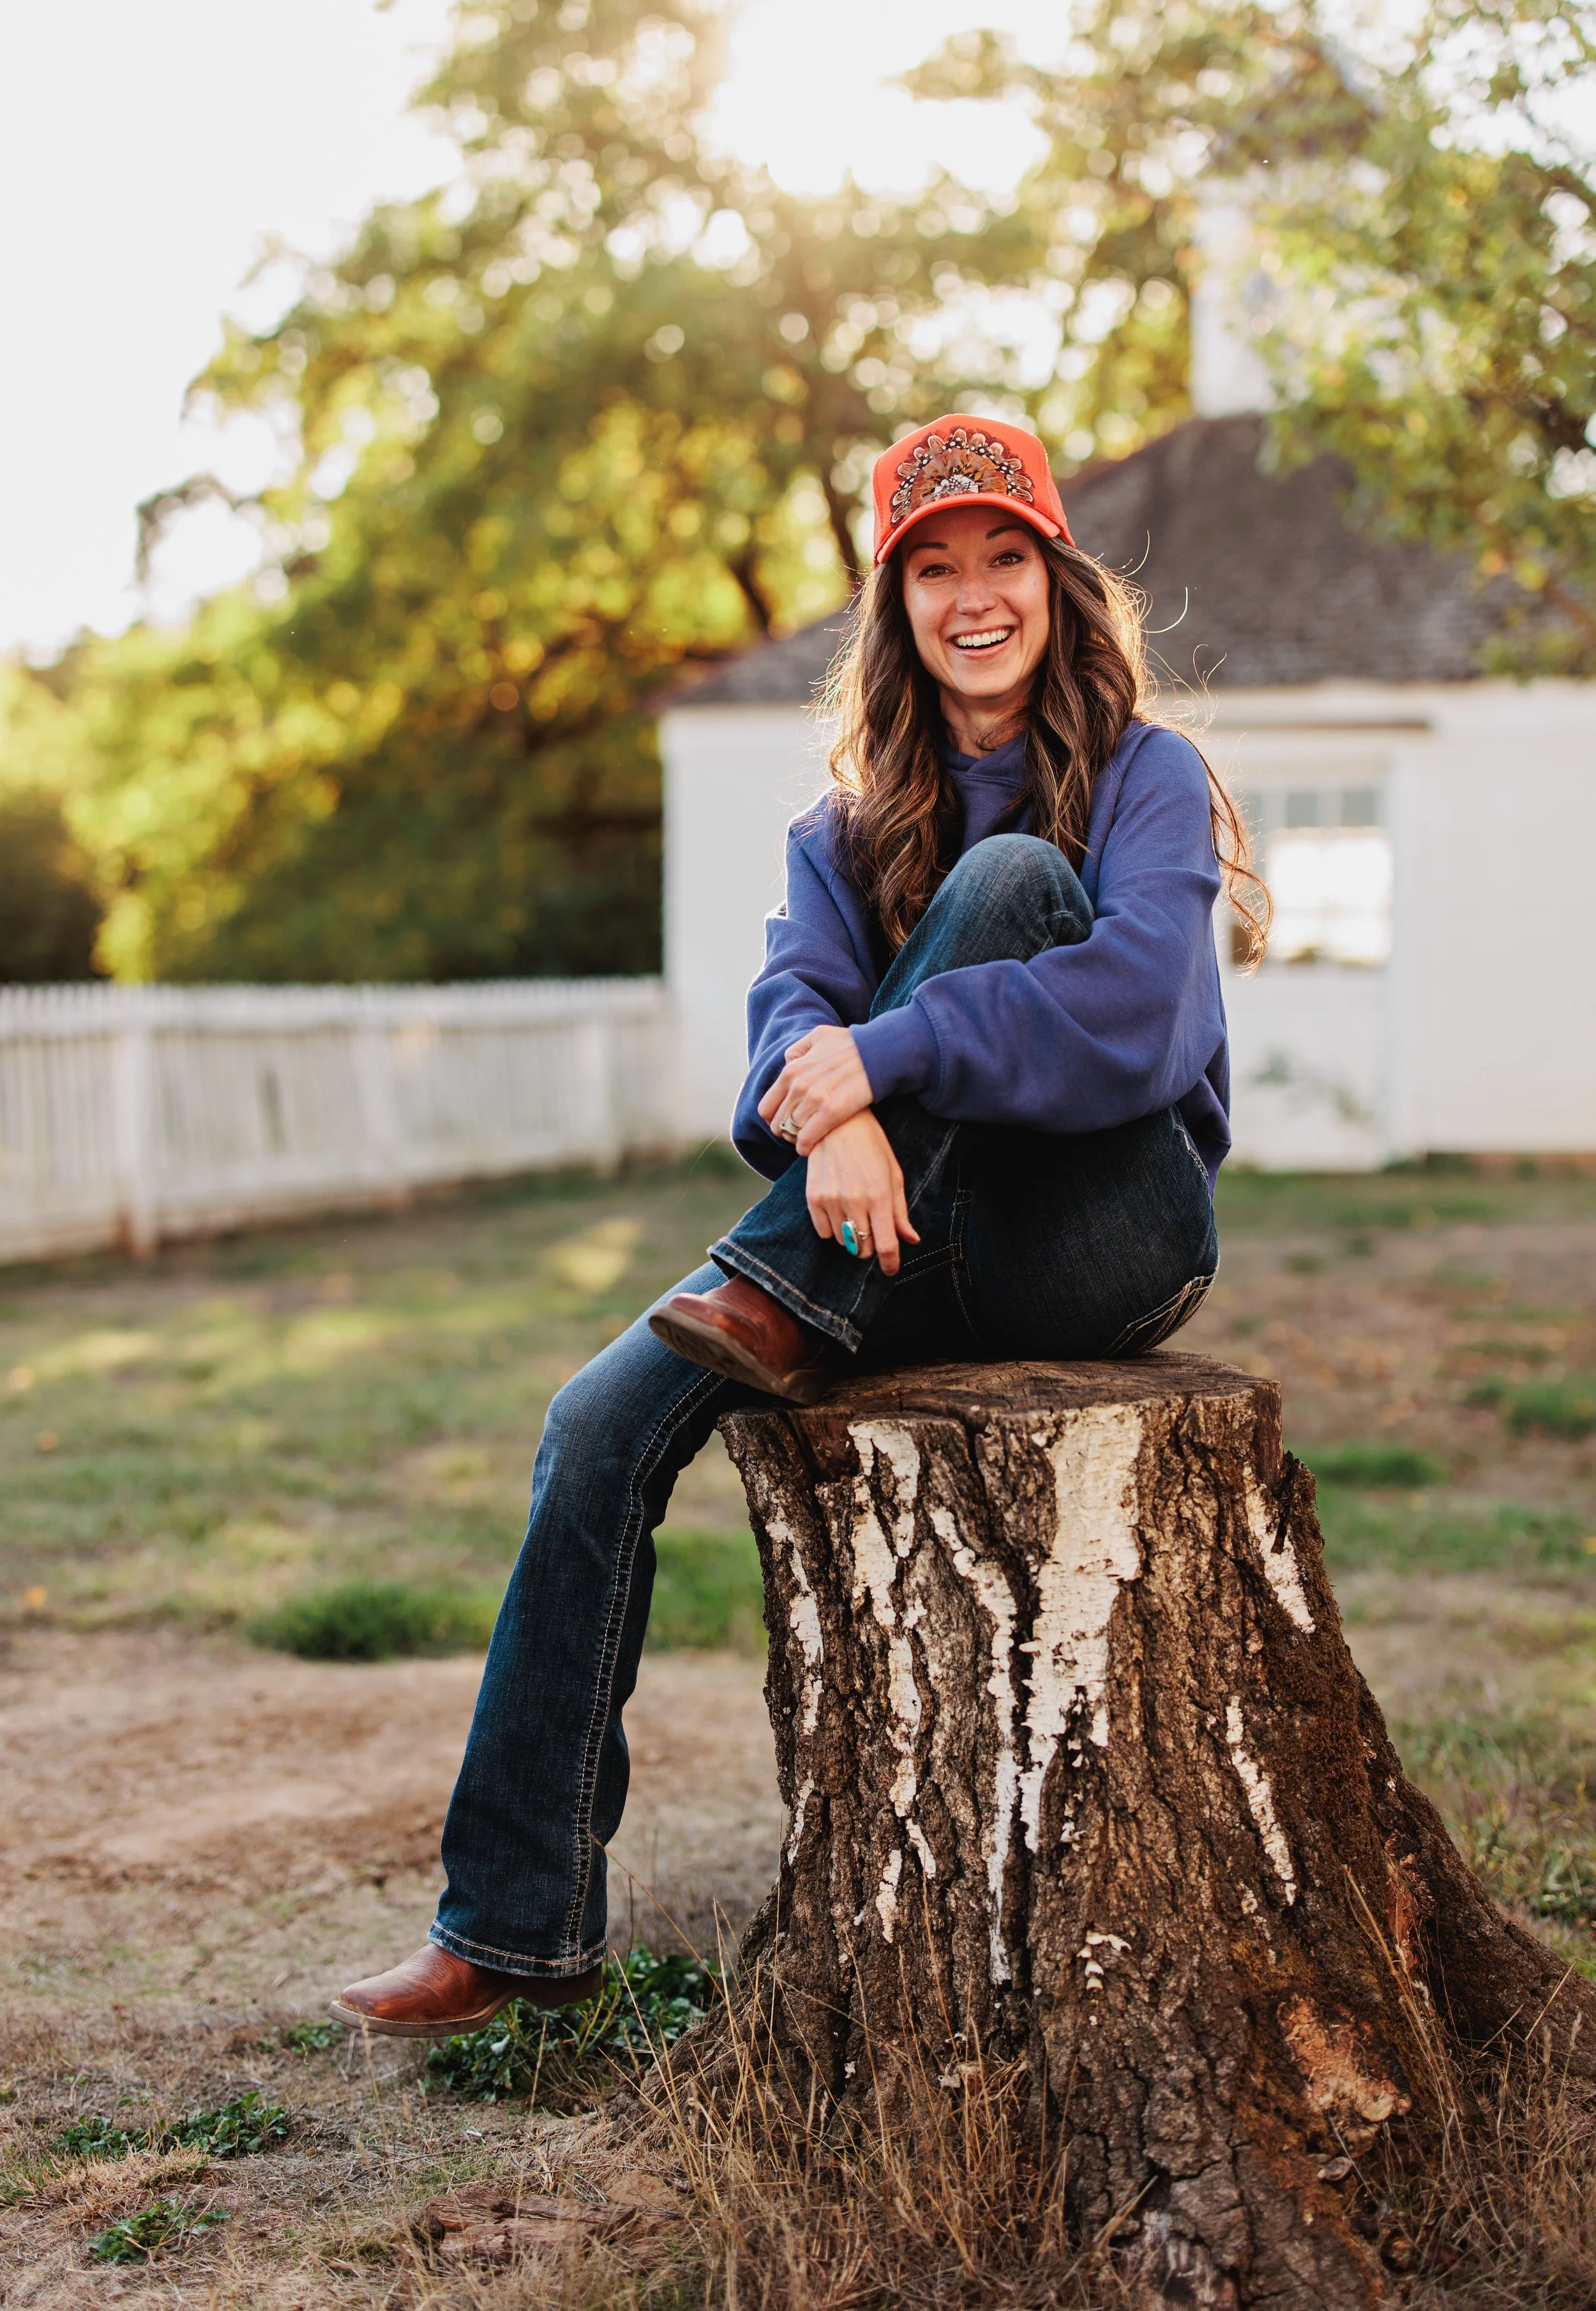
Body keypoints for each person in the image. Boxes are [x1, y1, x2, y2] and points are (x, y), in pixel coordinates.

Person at [329, 415, 1265, 2039]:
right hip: (903, 1256)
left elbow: (1141, 1019)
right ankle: (512, 1922)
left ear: (1055, 579)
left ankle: (777, 1283)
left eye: (1002, 560)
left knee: (1005, 895)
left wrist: (872, 1070)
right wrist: (825, 1111)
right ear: (893, 606)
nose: (971, 596)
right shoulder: (837, 834)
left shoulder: (1147, 776)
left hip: (1112, 1234)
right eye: (931, 569)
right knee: (592, 1425)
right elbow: (775, 1048)